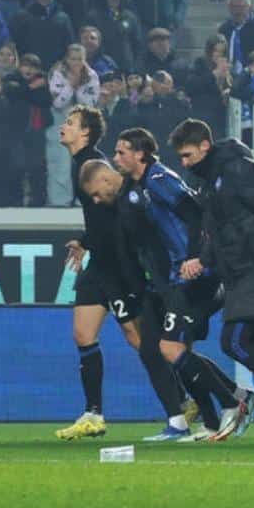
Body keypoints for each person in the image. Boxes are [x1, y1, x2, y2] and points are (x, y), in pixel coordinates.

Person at [93, 127, 254, 442]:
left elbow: (196, 214)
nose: (116, 158)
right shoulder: (140, 185)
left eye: (121, 152)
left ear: (140, 153)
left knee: (170, 348)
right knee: (167, 348)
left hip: (191, 276)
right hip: (172, 276)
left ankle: (232, 402)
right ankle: (221, 411)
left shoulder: (159, 179)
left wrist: (196, 257)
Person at [168, 117, 254, 441]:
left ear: (205, 146)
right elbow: (219, 231)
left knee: (235, 341)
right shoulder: (210, 180)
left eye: (187, 155)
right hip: (241, 270)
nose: (184, 163)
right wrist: (203, 260)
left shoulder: (237, 169)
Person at [53, 105, 187, 440]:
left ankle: (184, 400)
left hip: (115, 267)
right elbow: (100, 220)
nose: (63, 127)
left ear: (86, 132)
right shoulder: (81, 164)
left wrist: (121, 264)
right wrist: (85, 241)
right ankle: (93, 414)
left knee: (141, 340)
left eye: (71, 123)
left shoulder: (93, 165)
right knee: (83, 334)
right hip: (98, 263)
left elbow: (117, 218)